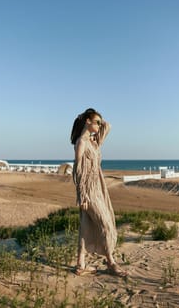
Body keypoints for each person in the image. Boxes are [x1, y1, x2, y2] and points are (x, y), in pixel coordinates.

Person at [71, 108, 127, 277]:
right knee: (106, 224)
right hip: (88, 191)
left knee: (86, 225)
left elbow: (108, 126)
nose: (99, 125)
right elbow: (78, 170)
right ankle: (111, 262)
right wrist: (82, 194)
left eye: (98, 122)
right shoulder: (82, 142)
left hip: (98, 187)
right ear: (87, 121)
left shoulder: (94, 142)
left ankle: (81, 264)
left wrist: (101, 123)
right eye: (96, 121)